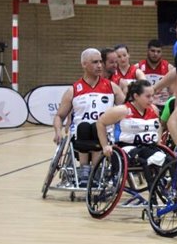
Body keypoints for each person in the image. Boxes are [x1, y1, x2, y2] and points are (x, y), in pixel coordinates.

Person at [53, 48, 125, 184]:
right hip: (80, 135)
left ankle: (96, 170)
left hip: (105, 136)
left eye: (100, 62)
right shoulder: (73, 90)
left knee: (97, 127)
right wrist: (57, 131)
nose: (99, 65)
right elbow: (59, 116)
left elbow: (128, 109)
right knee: (85, 127)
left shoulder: (112, 87)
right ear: (84, 64)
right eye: (94, 62)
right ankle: (84, 170)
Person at [95, 80, 165, 185]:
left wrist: (158, 139)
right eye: (148, 96)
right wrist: (105, 146)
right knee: (144, 159)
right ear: (136, 96)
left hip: (148, 147)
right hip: (126, 148)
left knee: (169, 159)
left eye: (153, 96)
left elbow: (159, 125)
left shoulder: (154, 109)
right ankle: (152, 195)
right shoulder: (122, 110)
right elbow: (100, 123)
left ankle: (171, 191)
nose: (151, 99)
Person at [137, 39, 174, 110]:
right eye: (153, 51)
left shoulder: (169, 68)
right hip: (145, 106)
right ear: (147, 51)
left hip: (163, 105)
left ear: (162, 52)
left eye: (158, 51)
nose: (155, 54)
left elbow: (173, 92)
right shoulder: (138, 67)